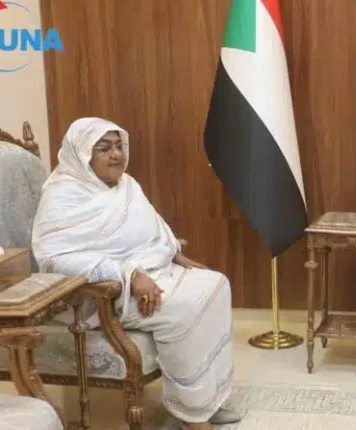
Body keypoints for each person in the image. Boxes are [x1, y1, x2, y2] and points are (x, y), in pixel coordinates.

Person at [31, 117, 241, 430]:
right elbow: (54, 259)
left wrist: (175, 253)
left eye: (119, 146)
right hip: (105, 294)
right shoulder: (62, 195)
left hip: (152, 271)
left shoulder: (126, 185)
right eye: (104, 148)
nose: (116, 154)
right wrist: (129, 274)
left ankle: (207, 400)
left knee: (216, 284)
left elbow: (154, 227)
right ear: (82, 154)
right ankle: (191, 414)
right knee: (185, 307)